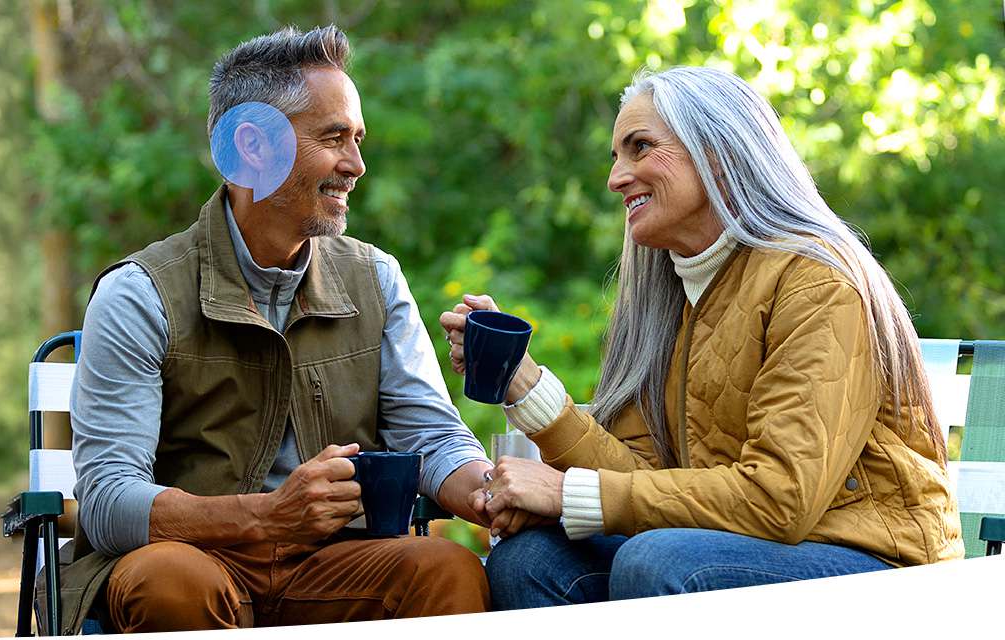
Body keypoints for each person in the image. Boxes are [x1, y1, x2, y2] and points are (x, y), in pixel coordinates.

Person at [438, 66, 962, 610]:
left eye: (640, 147)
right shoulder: (671, 299)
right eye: (616, 156)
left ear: (718, 151)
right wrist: (525, 385)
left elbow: (780, 498)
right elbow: (645, 480)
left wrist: (567, 494)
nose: (617, 177)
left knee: (658, 562)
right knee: (531, 561)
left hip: (879, 564)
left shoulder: (817, 281)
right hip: (738, 543)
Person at [54, 26, 493, 634]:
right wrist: (265, 517)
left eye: (357, 139)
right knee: (170, 583)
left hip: (335, 568)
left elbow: (432, 437)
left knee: (448, 569)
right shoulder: (139, 293)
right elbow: (105, 502)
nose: (357, 165)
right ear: (253, 146)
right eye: (334, 138)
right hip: (197, 563)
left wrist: (489, 495)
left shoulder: (377, 279)